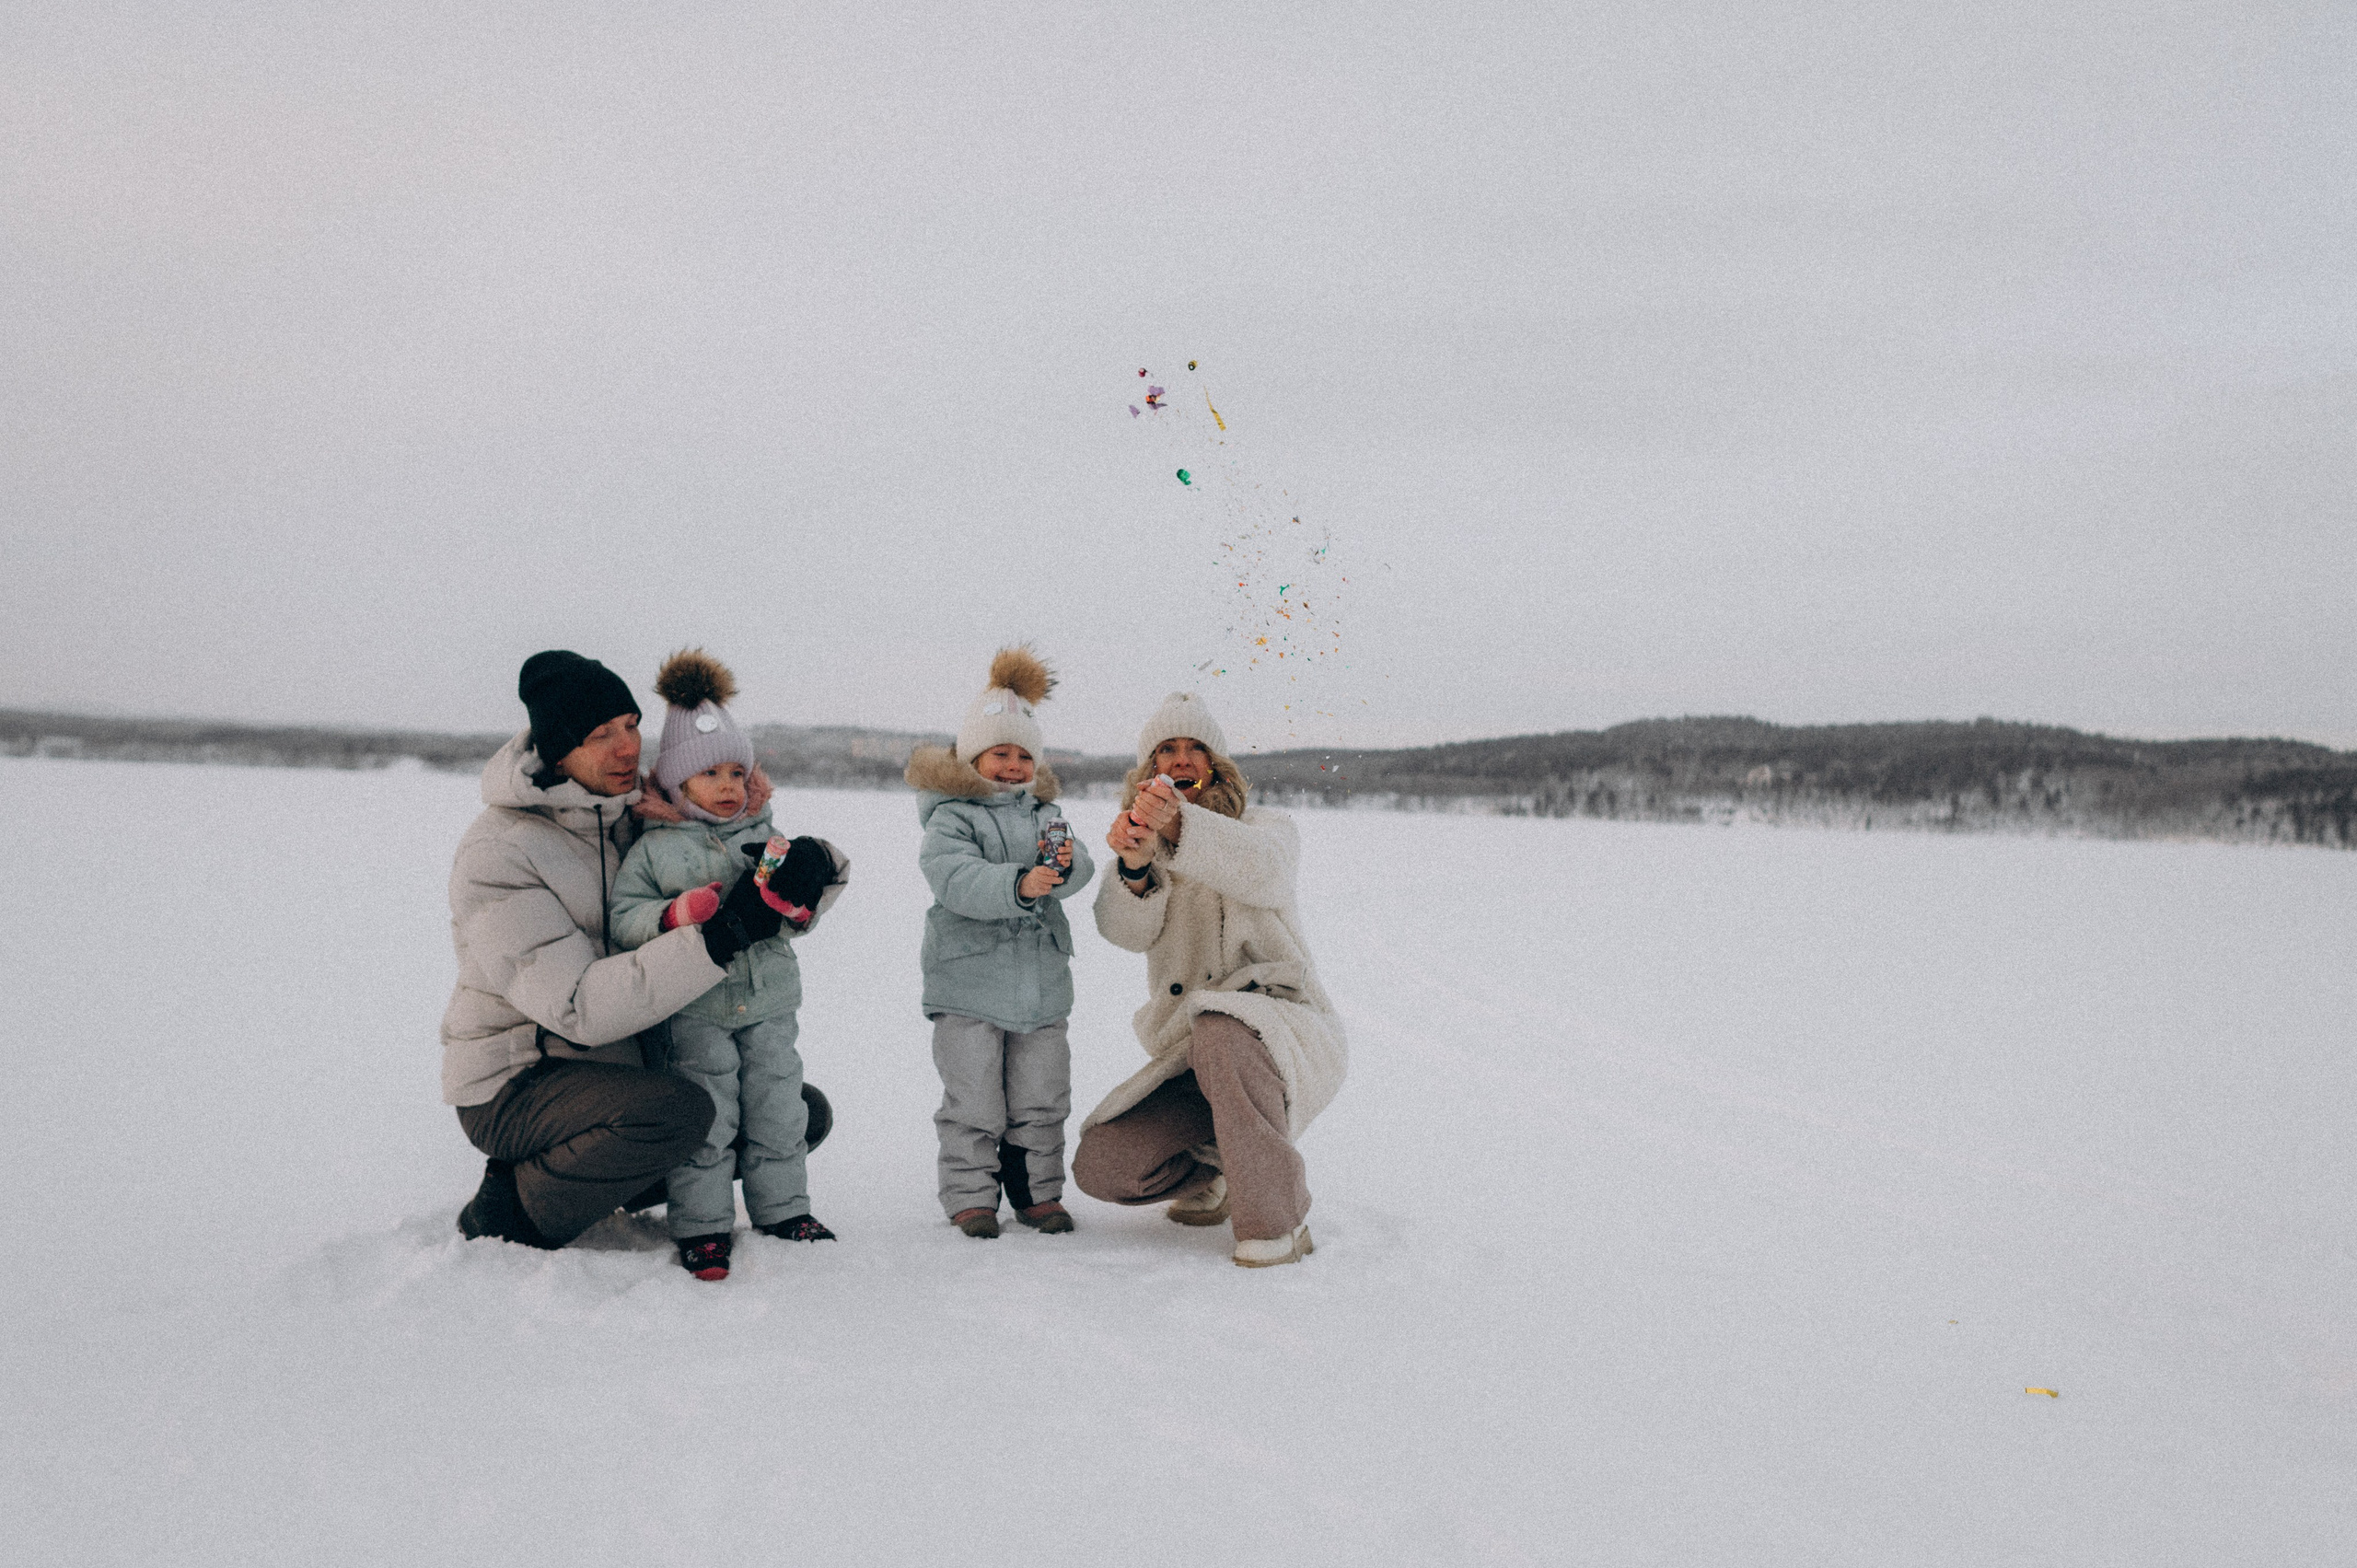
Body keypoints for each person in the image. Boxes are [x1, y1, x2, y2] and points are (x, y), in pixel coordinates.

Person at [444, 650, 796, 1251]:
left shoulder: (636, 819)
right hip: (518, 1079)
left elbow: (740, 879)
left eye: (631, 725)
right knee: (682, 1110)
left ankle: (607, 1173)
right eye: (600, 734)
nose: (627, 747)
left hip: (619, 1068)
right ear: (558, 750)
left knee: (792, 1111)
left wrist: (800, 873)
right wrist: (712, 940)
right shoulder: (500, 851)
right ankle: (513, 1208)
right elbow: (577, 1005)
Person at [1071, 692, 1347, 1267]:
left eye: (1196, 749)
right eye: (1166, 750)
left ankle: (1278, 1219)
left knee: (1225, 1025)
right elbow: (1122, 931)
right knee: (1103, 1166)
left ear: (1217, 764)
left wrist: (1178, 825)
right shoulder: (1144, 843)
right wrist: (1134, 866)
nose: (1181, 759)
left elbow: (1264, 872)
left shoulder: (1266, 828)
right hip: (1194, 1052)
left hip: (1280, 1030)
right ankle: (1215, 1172)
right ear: (1148, 769)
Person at [610, 649, 850, 1281]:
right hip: (696, 1009)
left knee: (778, 1108)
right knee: (710, 1115)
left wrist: (799, 907)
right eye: (709, 773)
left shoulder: (765, 834)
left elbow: (796, 911)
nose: (727, 786)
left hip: (770, 1001)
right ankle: (703, 1226)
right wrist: (674, 914)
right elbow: (623, 918)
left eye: (736, 772)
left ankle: (785, 1210)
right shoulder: (654, 849)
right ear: (676, 782)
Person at [905, 647, 1095, 1238]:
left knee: (1042, 1099)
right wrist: (1018, 883)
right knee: (974, 1102)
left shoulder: (1049, 814)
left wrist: (1061, 873)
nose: (1012, 766)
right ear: (973, 757)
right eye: (999, 753)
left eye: (1022, 756)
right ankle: (970, 1196)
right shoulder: (951, 817)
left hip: (1040, 988)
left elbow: (1081, 864)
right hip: (969, 988)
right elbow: (954, 878)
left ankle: (1038, 1194)